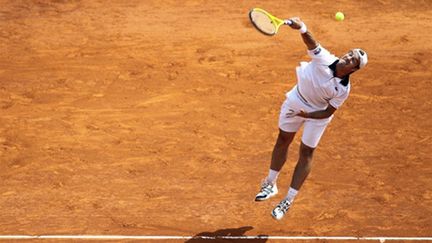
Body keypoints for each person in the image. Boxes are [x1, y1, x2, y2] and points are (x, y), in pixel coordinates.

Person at [254, 17, 368, 220]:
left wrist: (307, 115)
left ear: (353, 70)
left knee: (306, 152)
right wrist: (303, 28)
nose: (348, 57)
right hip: (296, 100)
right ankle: (270, 184)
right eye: (349, 54)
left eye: (352, 60)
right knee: (283, 140)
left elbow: (327, 113)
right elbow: (312, 43)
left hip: (317, 114)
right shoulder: (324, 58)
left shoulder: (343, 90)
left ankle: (288, 200)